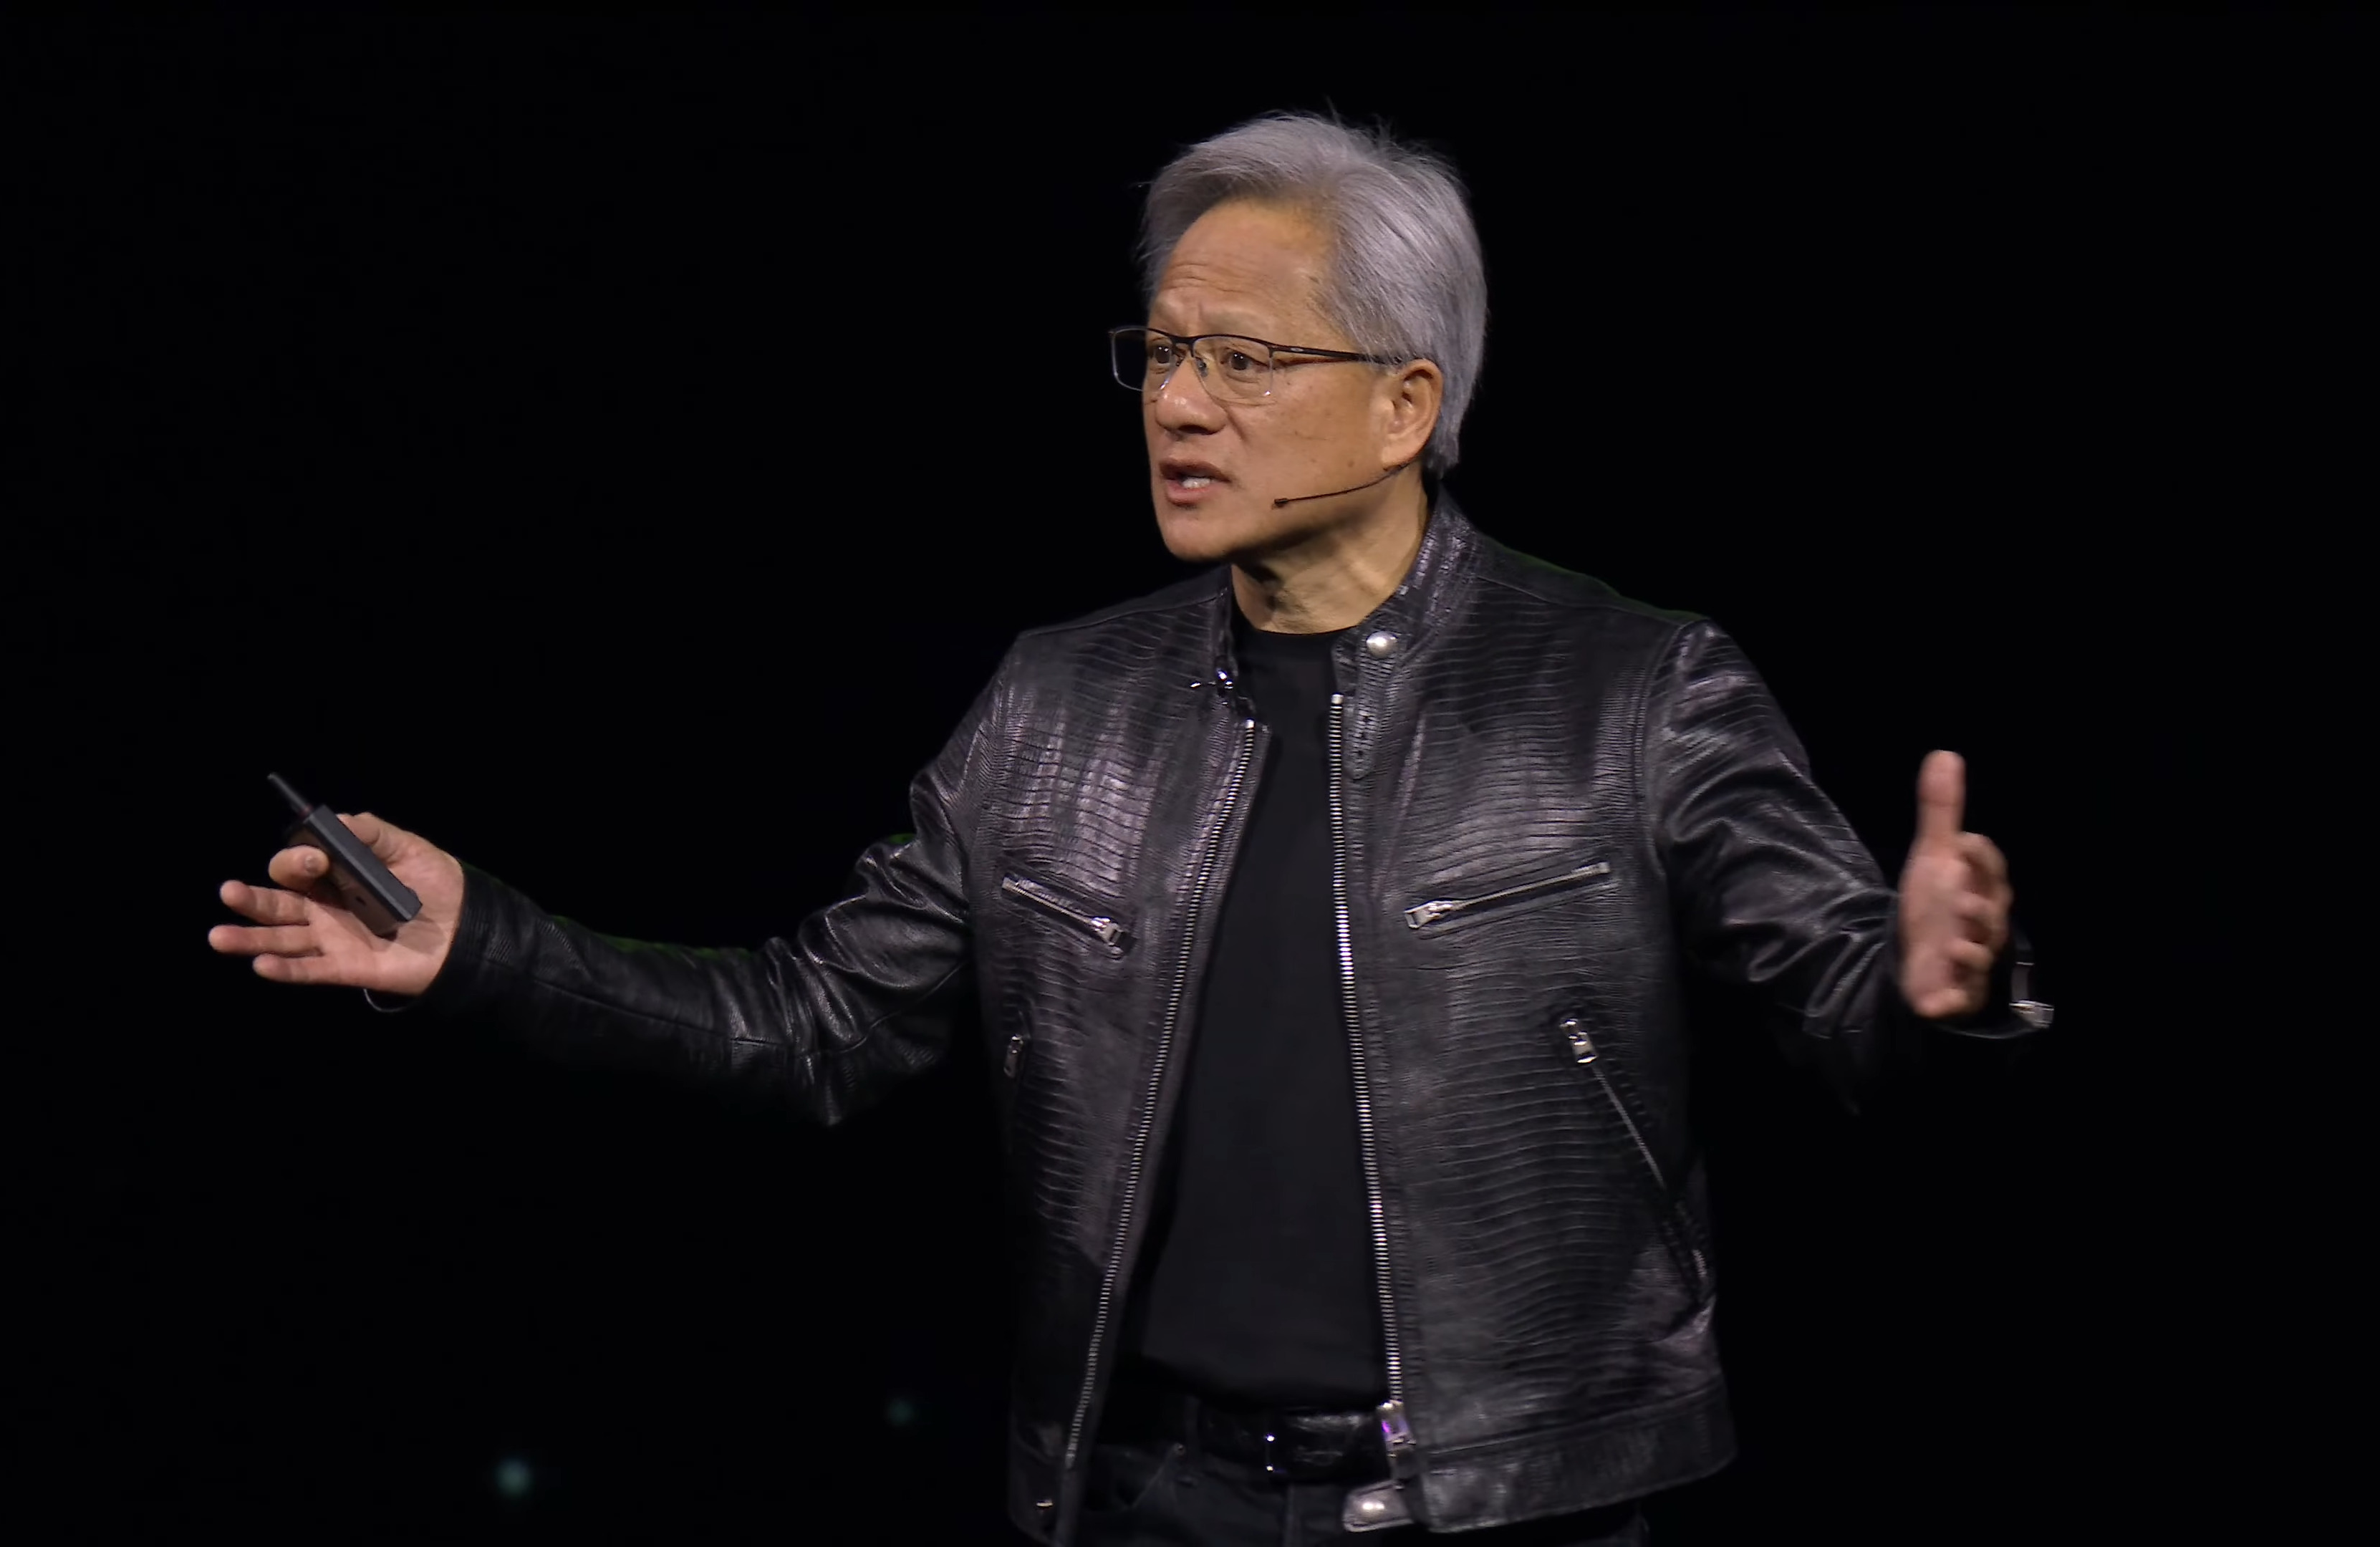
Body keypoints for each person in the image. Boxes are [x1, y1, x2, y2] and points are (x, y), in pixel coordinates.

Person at [208, 112, 2044, 1546]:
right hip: (1146, 1499)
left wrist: (1936, 989)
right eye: (1162, 354)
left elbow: (1844, 1002)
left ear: (1410, 402)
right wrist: (486, 948)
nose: (1177, 404)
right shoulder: (1056, 702)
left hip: (1521, 1501)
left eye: (1246, 361)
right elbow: (823, 1030)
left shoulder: (1631, 686)